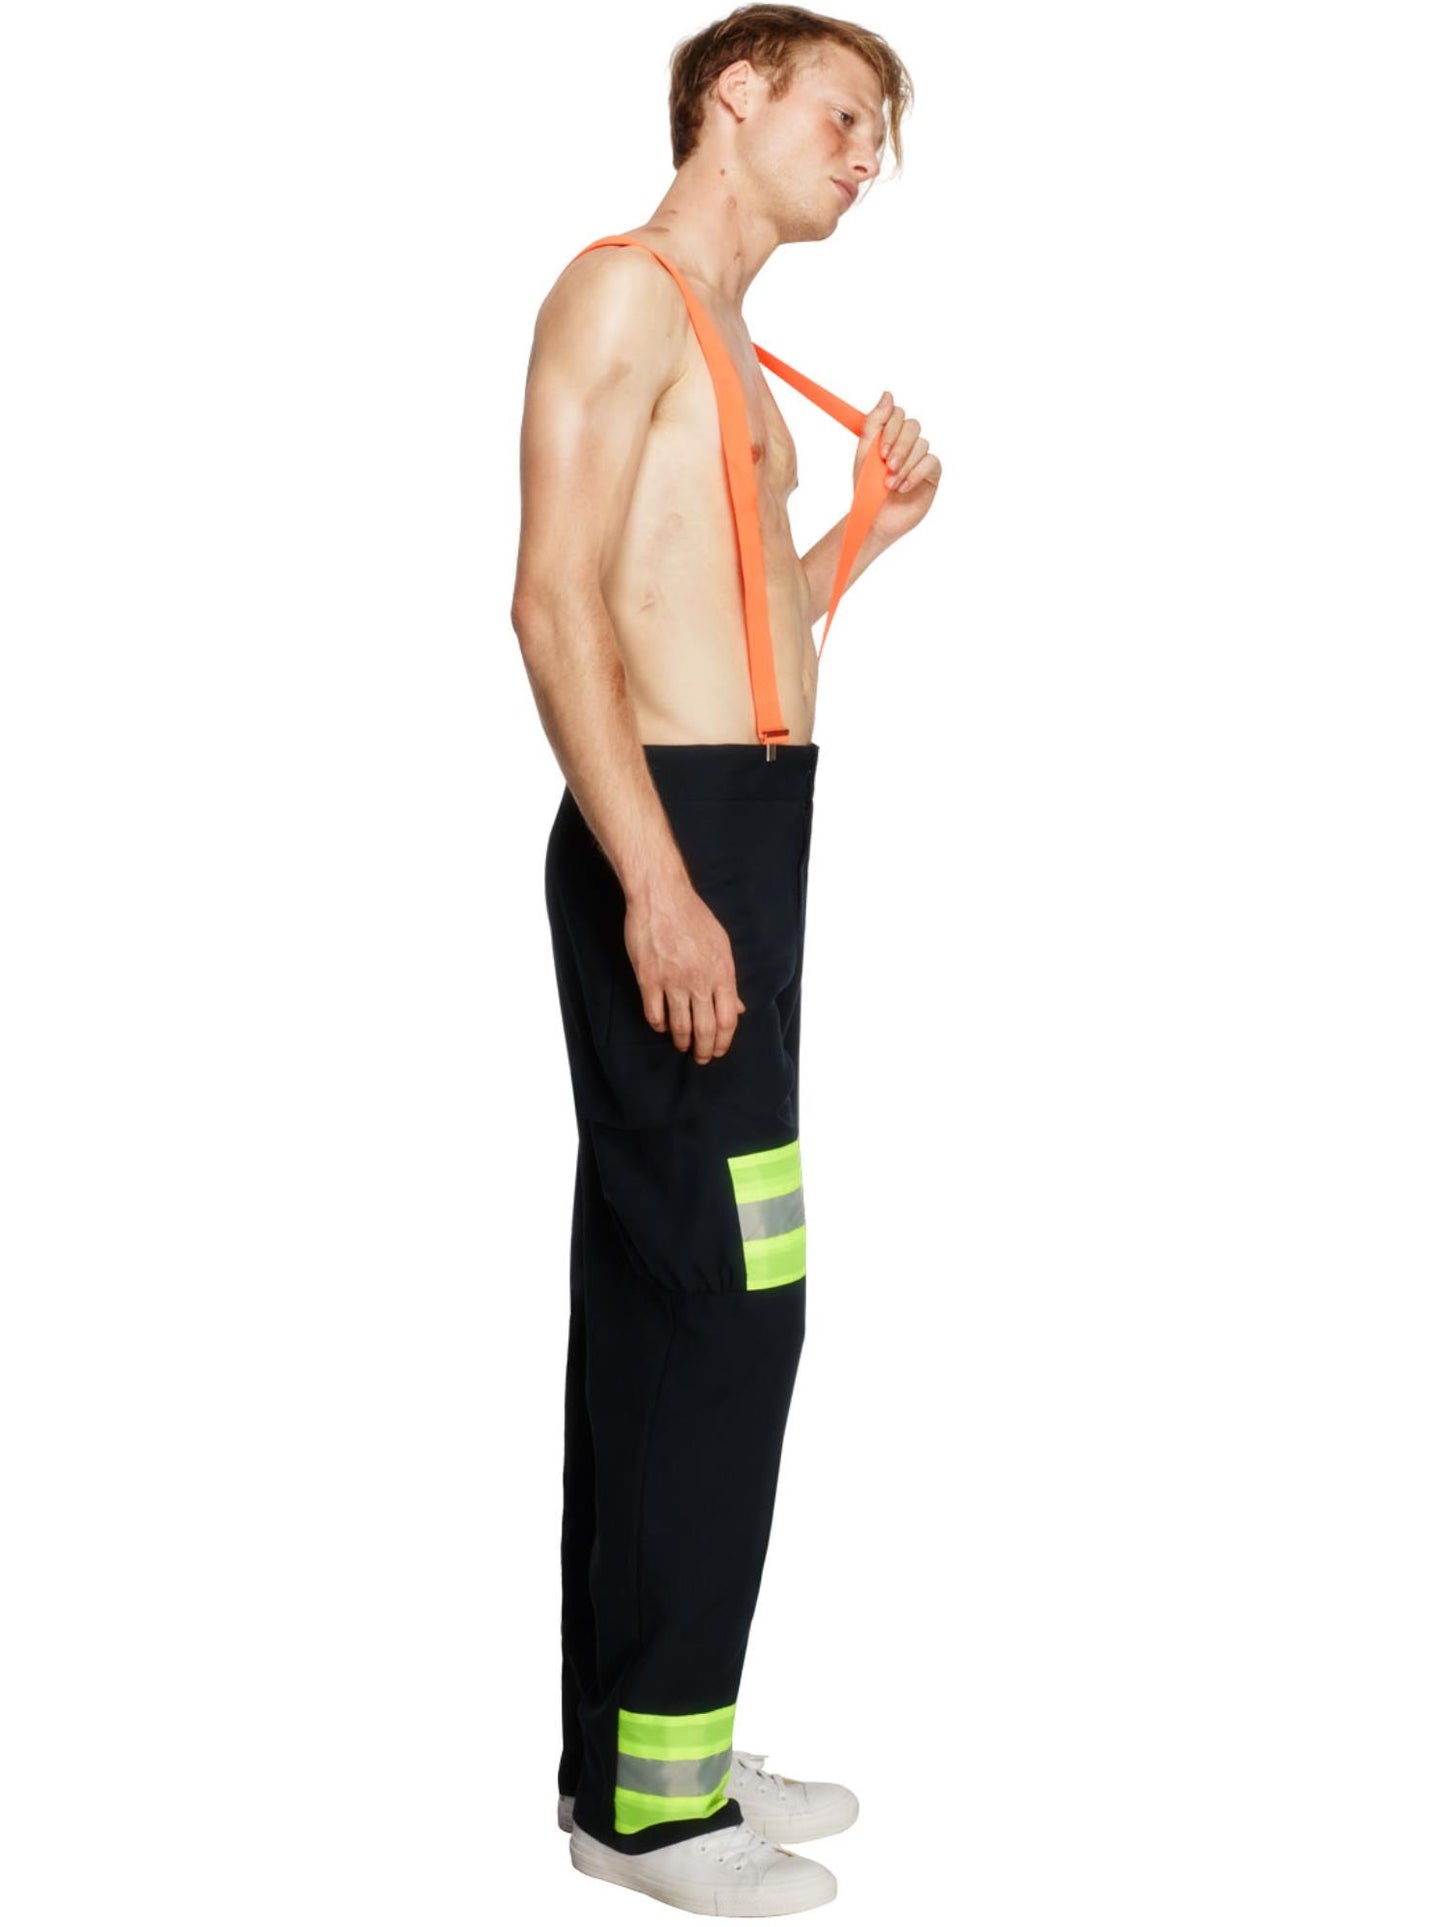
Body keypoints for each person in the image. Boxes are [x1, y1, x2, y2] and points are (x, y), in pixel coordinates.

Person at [511, 6, 939, 1913]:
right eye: (843, 114)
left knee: (667, 1293)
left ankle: (639, 1748)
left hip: (740, 836)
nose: (865, 156)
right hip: (673, 846)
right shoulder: (620, 293)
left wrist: (862, 537)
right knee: (729, 1299)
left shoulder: (731, 343)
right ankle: (653, 1811)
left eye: (880, 136)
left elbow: (741, 627)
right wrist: (657, 886)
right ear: (730, 96)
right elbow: (553, 605)